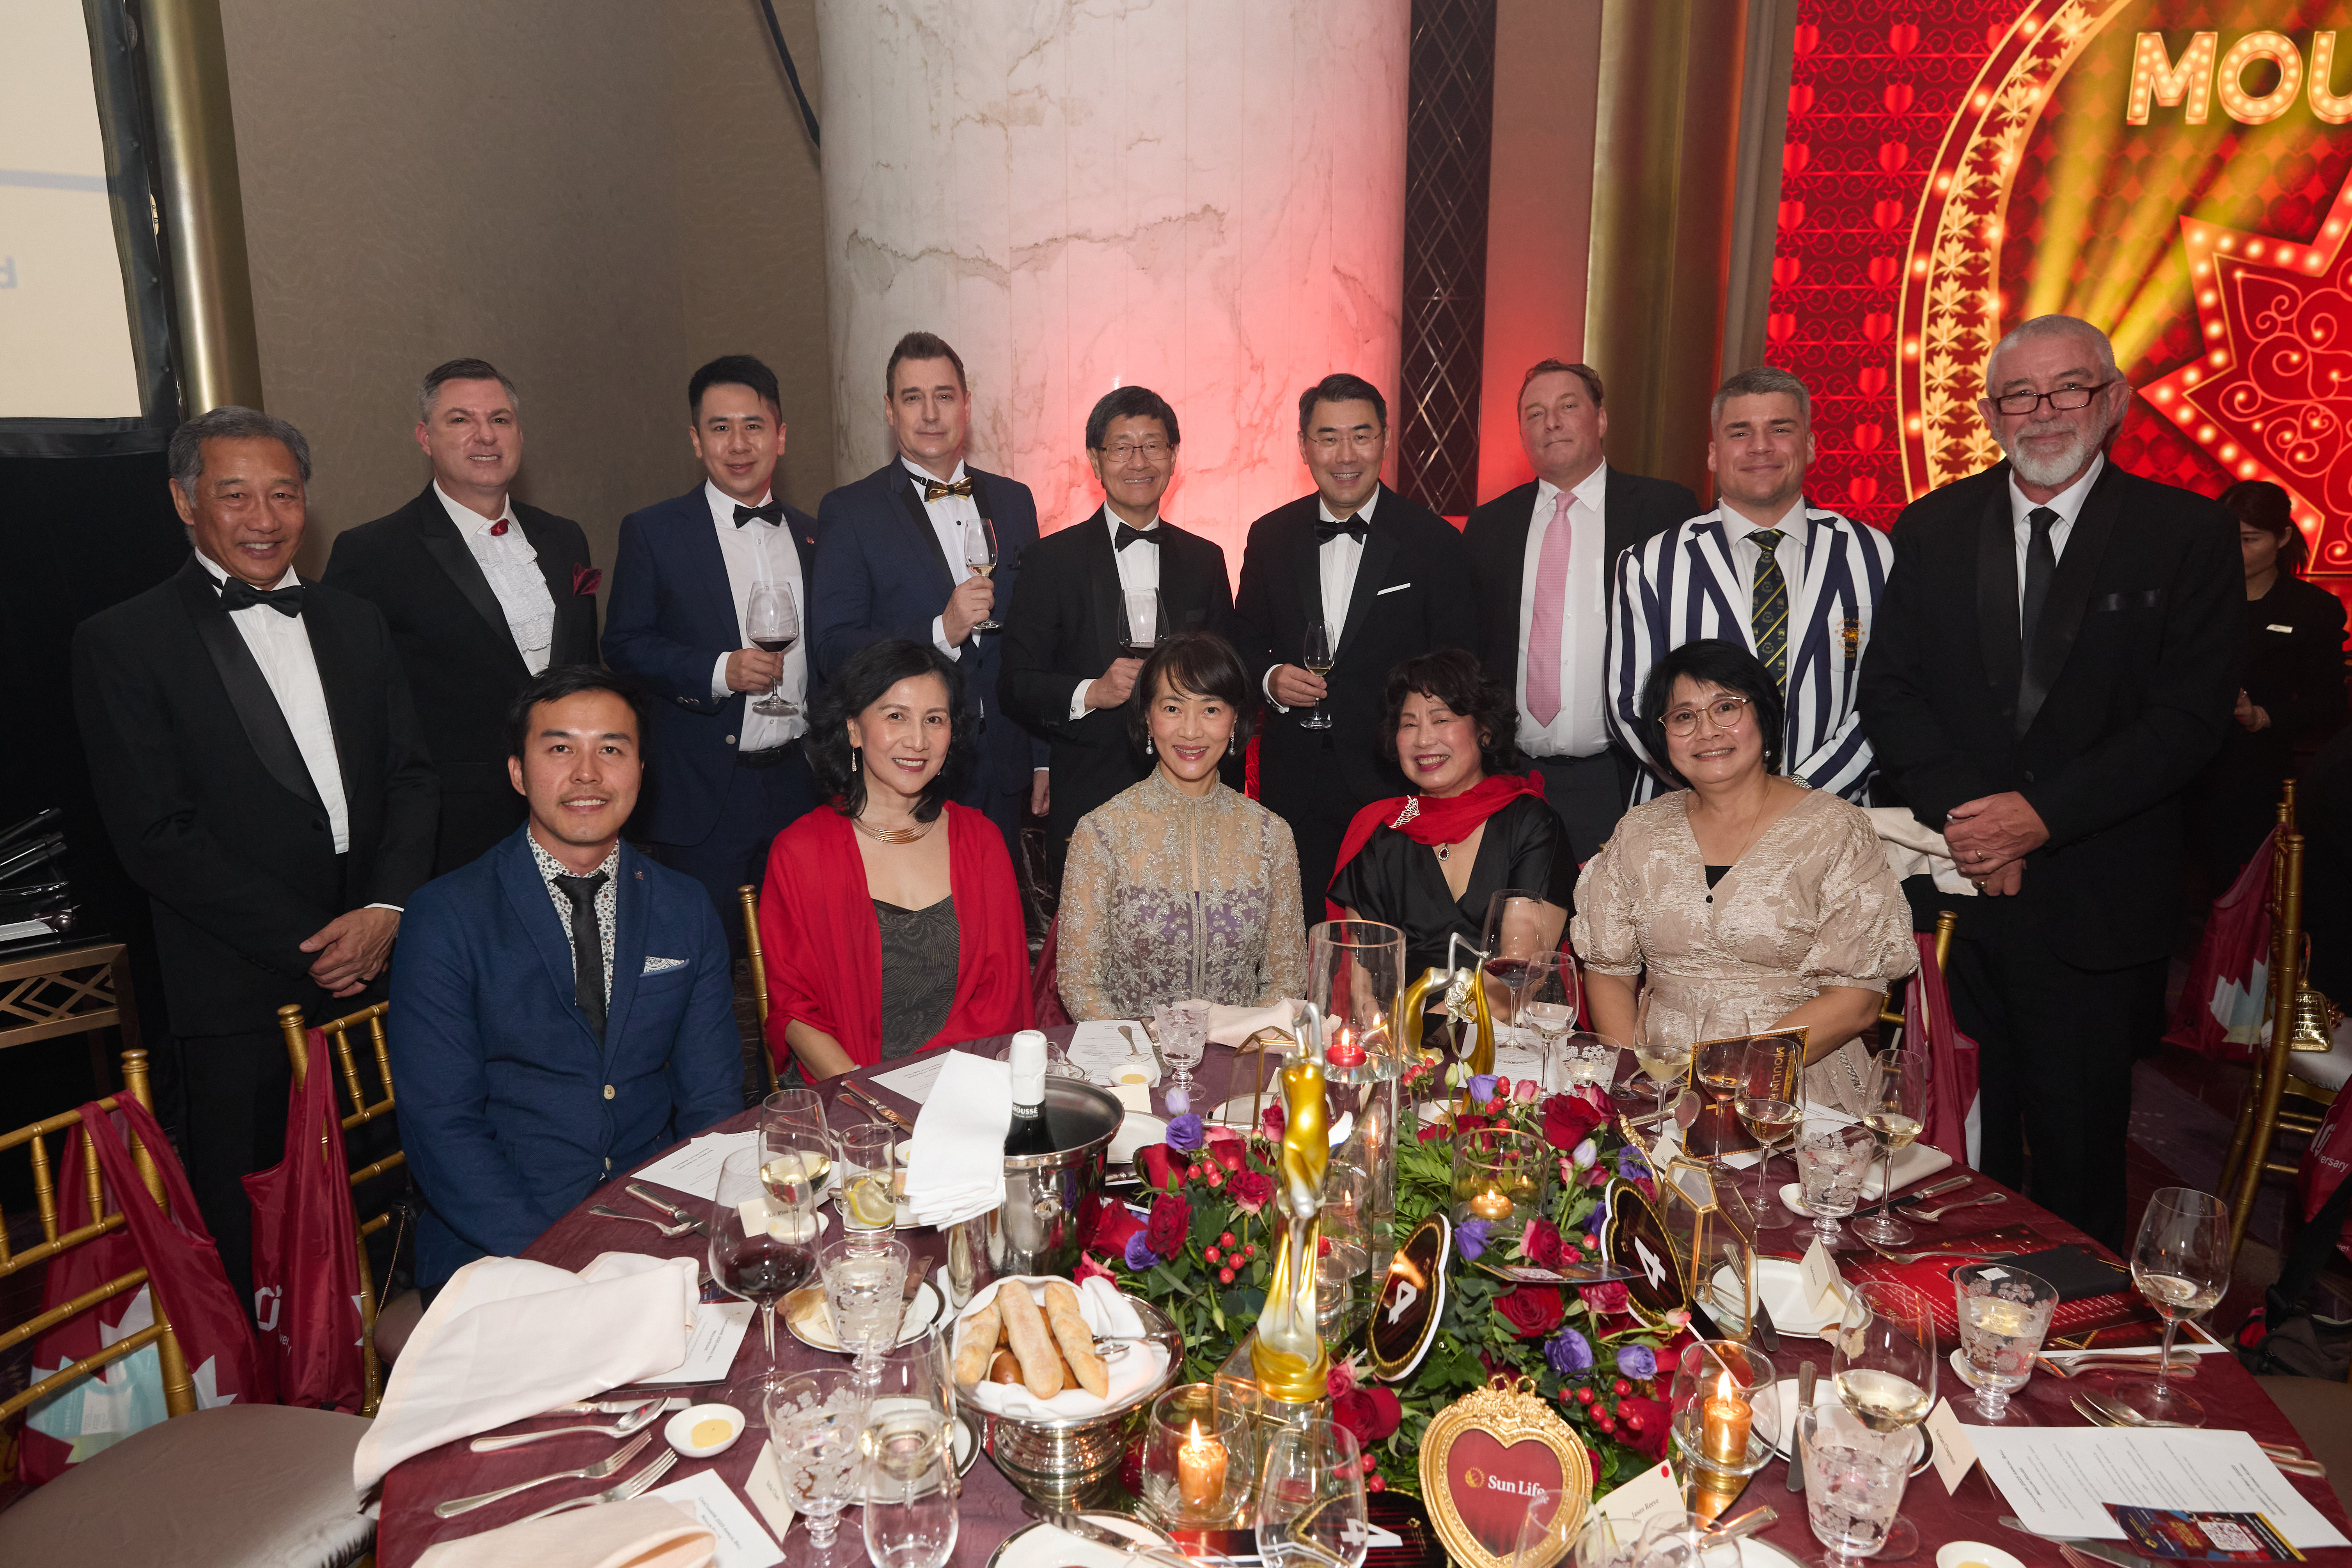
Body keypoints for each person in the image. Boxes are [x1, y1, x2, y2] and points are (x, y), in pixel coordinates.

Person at [1858, 314, 2239, 1249]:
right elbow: (1893, 692)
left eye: (2067, 387)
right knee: (1951, 1150)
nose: (2043, 411)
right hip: (1958, 898)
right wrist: (1977, 827)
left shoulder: (2183, 534)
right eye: (2019, 395)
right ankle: (1948, 1316)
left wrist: (2039, 819)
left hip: (2096, 906)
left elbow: (2186, 722)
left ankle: (2076, 1327)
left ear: (2113, 401)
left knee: (2077, 1159)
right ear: (1990, 414)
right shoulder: (1933, 525)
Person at [72, 406, 438, 1306]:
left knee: (391, 1198)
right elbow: (156, 836)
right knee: (255, 1237)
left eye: (284, 494)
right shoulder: (124, 641)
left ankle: (395, 1359)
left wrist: (385, 911)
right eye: (235, 496)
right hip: (237, 988)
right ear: (184, 501)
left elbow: (411, 777)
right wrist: (314, 941)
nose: (264, 519)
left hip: (380, 967)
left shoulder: (356, 621)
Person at [389, 666, 741, 1291]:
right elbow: (443, 1128)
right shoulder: (447, 916)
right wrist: (561, 1261)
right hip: (501, 1238)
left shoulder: (684, 906)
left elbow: (711, 1099)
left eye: (611, 750)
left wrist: (701, 1228)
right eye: (559, 750)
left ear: (640, 770)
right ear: (518, 772)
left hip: (657, 1219)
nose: (587, 774)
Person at [1573, 640, 1915, 1105]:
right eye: (1684, 717)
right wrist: (1636, 1080)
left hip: (1791, 1086)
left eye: (1726, 708)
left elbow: (1856, 1001)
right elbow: (1609, 971)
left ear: (1764, 716)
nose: (1707, 731)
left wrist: (1724, 1079)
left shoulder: (1836, 831)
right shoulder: (1640, 831)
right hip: (1661, 1083)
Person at [325, 357, 600, 874]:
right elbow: (355, 712)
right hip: (451, 828)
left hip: (574, 805)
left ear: (519, 433)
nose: (486, 436)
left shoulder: (564, 538)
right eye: (460, 420)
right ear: (425, 438)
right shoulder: (373, 553)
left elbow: (588, 668)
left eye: (500, 419)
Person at [1234, 373, 1481, 919]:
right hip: (1294, 784)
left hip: (1396, 778)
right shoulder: (1270, 536)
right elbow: (1242, 640)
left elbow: (1460, 663)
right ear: (1304, 447)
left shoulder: (1433, 541)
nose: (1345, 455)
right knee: (1297, 931)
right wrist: (1271, 680)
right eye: (1328, 438)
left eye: (1361, 436)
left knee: (1390, 933)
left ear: (1385, 440)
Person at [603, 355, 821, 946]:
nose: (738, 443)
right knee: (700, 963)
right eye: (720, 427)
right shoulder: (654, 532)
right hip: (701, 793)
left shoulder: (815, 534)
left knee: (802, 957)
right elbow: (622, 645)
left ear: (780, 436)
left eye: (753, 425)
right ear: (697, 441)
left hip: (800, 785)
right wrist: (720, 670)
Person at [1608, 366, 1891, 807]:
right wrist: (1726, 798)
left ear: (1810, 445)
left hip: (1835, 815)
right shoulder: (1649, 564)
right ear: (1713, 453)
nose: (1761, 446)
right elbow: (1633, 708)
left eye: (1780, 429)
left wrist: (1797, 796)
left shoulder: (1874, 554)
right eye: (1740, 432)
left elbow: (1891, 698)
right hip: (1690, 818)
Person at [811, 332, 1047, 860]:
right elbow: (832, 647)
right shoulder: (851, 511)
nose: (930, 414)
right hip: (907, 768)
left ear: (966, 405)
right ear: (890, 410)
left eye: (944, 396)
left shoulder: (1014, 501)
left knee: (997, 906)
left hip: (1005, 768)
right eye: (913, 398)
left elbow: (1034, 639)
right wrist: (941, 631)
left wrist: (1042, 755)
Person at [757, 639, 1033, 1077]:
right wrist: (868, 1094)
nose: (918, 741)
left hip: (966, 1083)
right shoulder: (802, 853)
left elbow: (1002, 1001)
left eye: (934, 720)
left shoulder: (981, 842)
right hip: (845, 1087)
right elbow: (795, 1009)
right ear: (853, 729)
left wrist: (928, 1093)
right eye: (896, 716)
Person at [999, 386, 1235, 879]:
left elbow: (1231, 679)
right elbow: (1016, 684)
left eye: (1153, 445)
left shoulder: (1206, 560)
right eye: (1122, 447)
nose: (1139, 461)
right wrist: (1093, 692)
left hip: (1193, 798)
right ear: (1095, 460)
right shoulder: (1051, 562)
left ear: (1174, 456)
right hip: (1091, 795)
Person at [1464, 360, 1698, 855]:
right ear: (1522, 434)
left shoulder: (1665, 511)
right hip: (1512, 777)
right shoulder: (1489, 525)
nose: (1551, 423)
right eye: (1535, 413)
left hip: (1626, 775)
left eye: (1568, 407)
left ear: (1602, 419)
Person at [1056, 633, 1305, 1021]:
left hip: (1241, 1053)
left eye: (1211, 710)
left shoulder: (1271, 836)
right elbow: (1080, 985)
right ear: (1147, 717)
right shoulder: (1101, 833)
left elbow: (1286, 981)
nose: (1191, 731)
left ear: (1235, 720)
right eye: (1173, 708)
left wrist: (1235, 1043)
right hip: (1130, 1055)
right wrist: (1142, 1052)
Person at [1329, 649, 1577, 983]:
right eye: (1409, 724)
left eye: (1441, 720)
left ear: (1484, 730)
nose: (1423, 740)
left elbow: (1520, 972)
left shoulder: (1531, 823)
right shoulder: (1382, 830)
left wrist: (1445, 1016)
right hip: (1398, 1016)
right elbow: (1361, 982)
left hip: (1501, 1014)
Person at [2187, 479, 2347, 886]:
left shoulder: (2312, 610)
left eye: (2249, 540)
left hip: (2256, 777)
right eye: (2227, 538)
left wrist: (2261, 716)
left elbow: (2329, 703)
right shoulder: (2192, 599)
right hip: (2182, 769)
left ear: (2283, 537)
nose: (2234, 550)